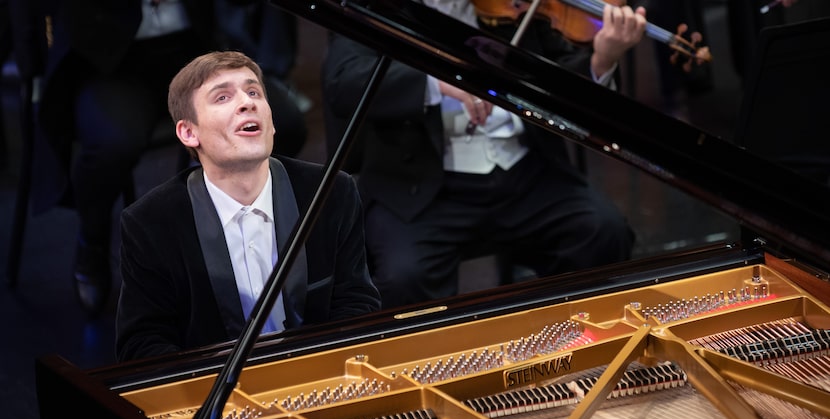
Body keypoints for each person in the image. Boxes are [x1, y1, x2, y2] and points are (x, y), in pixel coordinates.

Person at [322, 2, 646, 310]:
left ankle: (582, 349)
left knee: (603, 231)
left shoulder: (514, 8)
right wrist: (437, 83)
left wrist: (601, 60)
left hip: (524, 171)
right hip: (420, 186)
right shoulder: (378, 7)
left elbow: (562, 78)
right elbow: (343, 82)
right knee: (405, 278)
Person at [30, 0, 307, 317]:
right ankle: (91, 239)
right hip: (110, 53)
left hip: (192, 47)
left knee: (285, 124)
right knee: (113, 144)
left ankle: (228, 227)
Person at [115, 50, 380, 362]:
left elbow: (356, 305)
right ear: (189, 132)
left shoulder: (331, 192)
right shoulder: (150, 223)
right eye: (223, 97)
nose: (247, 102)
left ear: (271, 122)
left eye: (253, 91)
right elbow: (143, 344)